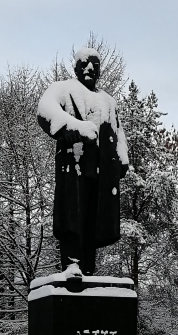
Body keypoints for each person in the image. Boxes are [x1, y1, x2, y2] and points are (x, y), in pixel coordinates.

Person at [37, 47, 129, 275]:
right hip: (75, 167)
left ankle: (88, 268)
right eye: (85, 64)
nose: (90, 68)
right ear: (76, 67)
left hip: (101, 173)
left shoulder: (109, 101)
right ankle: (72, 265)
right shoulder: (62, 89)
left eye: (95, 65)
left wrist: (122, 160)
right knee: (72, 218)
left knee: (94, 221)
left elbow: (118, 135)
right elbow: (44, 111)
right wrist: (73, 127)